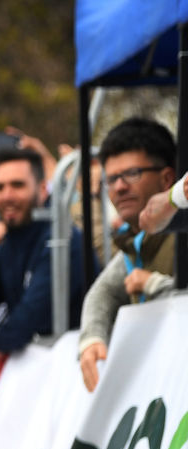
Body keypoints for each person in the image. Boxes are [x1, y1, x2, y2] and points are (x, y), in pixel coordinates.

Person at [0, 148, 95, 358]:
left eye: (17, 185)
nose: (7, 196)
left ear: (42, 190)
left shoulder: (63, 239)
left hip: (75, 372)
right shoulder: (10, 241)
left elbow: (33, 317)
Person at [79, 118, 178, 392]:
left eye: (132, 173)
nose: (119, 187)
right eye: (111, 179)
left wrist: (155, 286)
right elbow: (102, 294)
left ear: (167, 178)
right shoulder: (134, 242)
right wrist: (91, 340)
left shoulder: (180, 234)